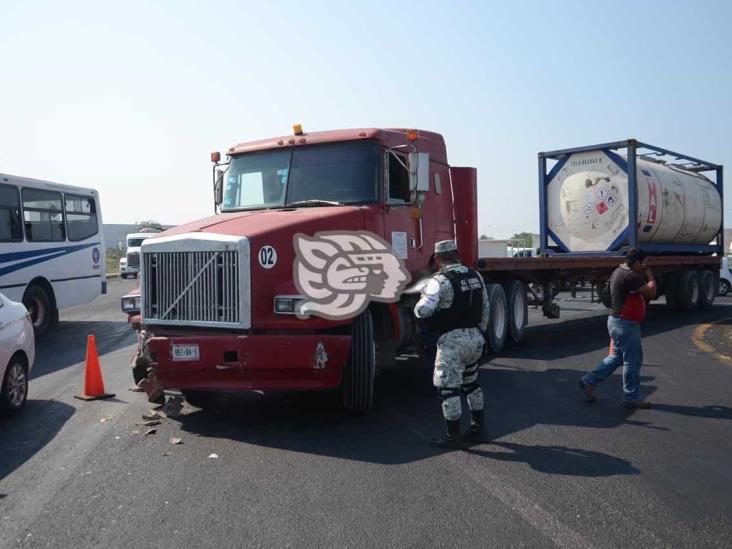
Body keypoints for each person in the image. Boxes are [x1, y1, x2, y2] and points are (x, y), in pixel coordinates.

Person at [414, 240, 490, 447]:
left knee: (447, 388)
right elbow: (485, 308)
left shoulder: (439, 281)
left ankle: (452, 436)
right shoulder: (476, 276)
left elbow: (422, 311)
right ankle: (478, 429)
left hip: (452, 342)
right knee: (471, 383)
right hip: (475, 338)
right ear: (457, 254)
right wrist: (479, 333)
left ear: (438, 259)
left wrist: (422, 299)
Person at [578, 247, 657, 408]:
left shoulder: (618, 271)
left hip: (616, 322)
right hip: (625, 324)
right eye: (643, 263)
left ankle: (588, 381)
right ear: (635, 262)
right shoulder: (630, 276)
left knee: (615, 358)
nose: (644, 266)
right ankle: (631, 397)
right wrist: (650, 275)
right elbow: (651, 293)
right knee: (632, 361)